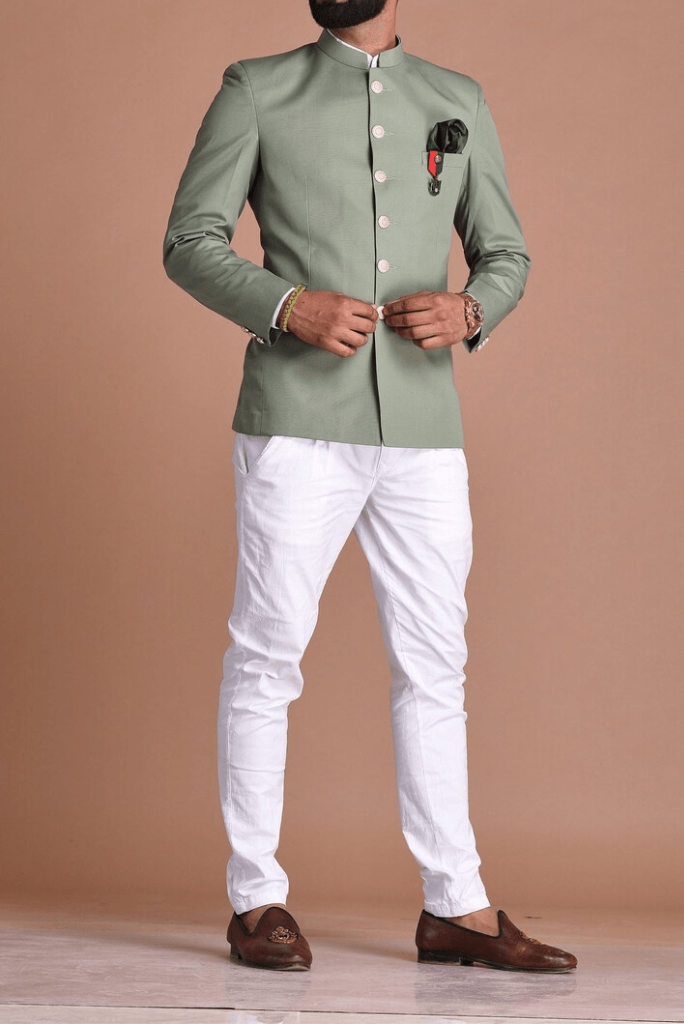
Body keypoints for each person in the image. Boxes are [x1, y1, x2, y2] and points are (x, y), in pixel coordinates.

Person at [163, 0, 577, 974]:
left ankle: (456, 906)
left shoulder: (456, 98)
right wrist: (284, 304)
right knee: (267, 655)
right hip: (295, 423)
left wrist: (471, 308)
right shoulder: (257, 88)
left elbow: (506, 254)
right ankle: (256, 897)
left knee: (436, 665)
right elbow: (189, 239)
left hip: (424, 431)